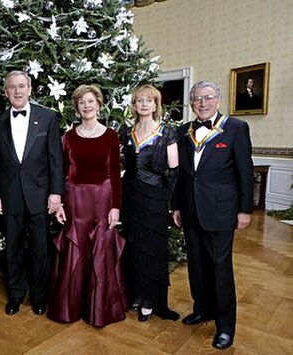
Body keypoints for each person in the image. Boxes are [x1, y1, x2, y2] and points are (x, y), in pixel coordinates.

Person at [172, 80, 253, 350]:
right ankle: (202, 309)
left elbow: (244, 172)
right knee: (196, 265)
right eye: (197, 99)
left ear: (218, 100)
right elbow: (181, 177)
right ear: (192, 103)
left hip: (221, 210)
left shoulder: (235, 128)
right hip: (191, 209)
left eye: (207, 98)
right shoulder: (184, 131)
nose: (202, 103)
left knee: (220, 269)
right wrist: (177, 206)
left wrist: (244, 209)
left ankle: (225, 326)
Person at [47, 85, 127, 327]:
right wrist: (59, 201)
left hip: (102, 200)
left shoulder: (111, 135)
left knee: (101, 252)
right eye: (82, 102)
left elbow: (114, 173)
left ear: (99, 105)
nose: (87, 106)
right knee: (75, 251)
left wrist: (116, 207)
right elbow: (60, 172)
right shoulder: (68, 137)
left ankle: (99, 310)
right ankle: (70, 307)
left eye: (91, 101)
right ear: (76, 107)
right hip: (74, 201)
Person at [0, 70, 64, 316]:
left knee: (41, 250)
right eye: (12, 87)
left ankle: (39, 297)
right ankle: (15, 295)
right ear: (6, 91)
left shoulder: (48, 118)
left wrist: (56, 193)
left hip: (40, 196)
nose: (17, 91)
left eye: (22, 86)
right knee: (13, 250)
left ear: (30, 89)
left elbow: (55, 160)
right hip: (9, 197)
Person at [120, 85, 180, 323]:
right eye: (139, 101)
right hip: (131, 197)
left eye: (148, 100)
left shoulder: (167, 133)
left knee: (152, 250)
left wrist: (172, 204)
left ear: (156, 105)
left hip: (155, 199)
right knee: (133, 248)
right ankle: (135, 295)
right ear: (134, 105)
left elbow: (174, 172)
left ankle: (151, 301)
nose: (143, 104)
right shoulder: (126, 133)